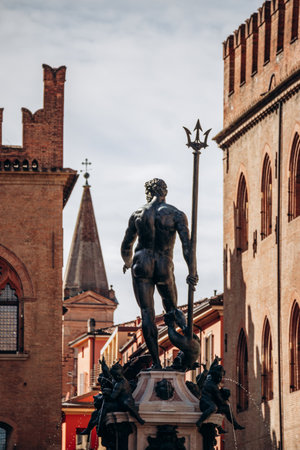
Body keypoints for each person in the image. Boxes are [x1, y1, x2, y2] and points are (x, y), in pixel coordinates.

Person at [121, 178, 197, 369]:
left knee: (147, 312)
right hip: (164, 264)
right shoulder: (176, 214)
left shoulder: (138, 214)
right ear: (165, 192)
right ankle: (185, 331)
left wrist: (128, 262)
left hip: (141, 263)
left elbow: (126, 245)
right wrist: (192, 270)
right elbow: (187, 247)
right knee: (172, 308)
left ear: (148, 192)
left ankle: (156, 362)